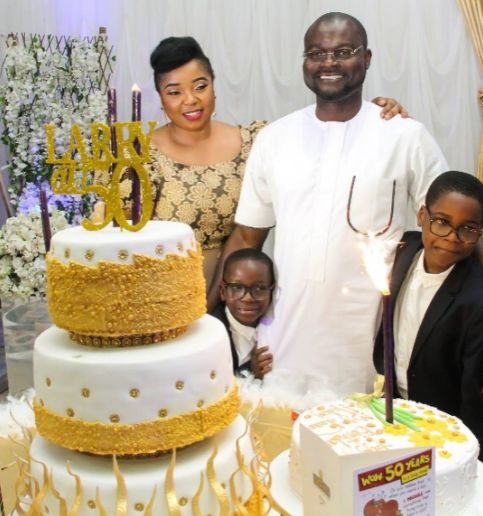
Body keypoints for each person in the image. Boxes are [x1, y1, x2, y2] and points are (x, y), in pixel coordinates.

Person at [208, 12, 448, 396]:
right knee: (281, 429)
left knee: (364, 428)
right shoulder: (275, 139)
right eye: (317, 53)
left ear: (367, 58)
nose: (329, 62)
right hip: (284, 340)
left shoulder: (405, 136)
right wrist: (208, 320)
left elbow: (449, 226)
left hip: (370, 342)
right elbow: (246, 237)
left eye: (343, 52)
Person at [97, 36, 407, 285]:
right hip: (158, 295)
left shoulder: (256, 141)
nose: (190, 100)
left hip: (240, 298)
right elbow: (115, 239)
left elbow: (328, 140)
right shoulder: (137, 155)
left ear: (214, 86)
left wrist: (372, 114)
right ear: (161, 99)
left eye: (200, 86)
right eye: (175, 92)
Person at [373, 171, 483, 457]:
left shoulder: (475, 299)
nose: (452, 238)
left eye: (468, 228)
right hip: (393, 410)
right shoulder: (402, 249)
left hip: (443, 430)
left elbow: (472, 390)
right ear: (422, 216)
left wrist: (470, 455)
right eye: (442, 222)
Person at [213, 248, 274, 379]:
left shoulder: (279, 324)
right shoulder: (212, 336)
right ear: (223, 291)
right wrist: (251, 370)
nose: (248, 298)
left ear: (272, 291)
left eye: (259, 288)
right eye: (237, 287)